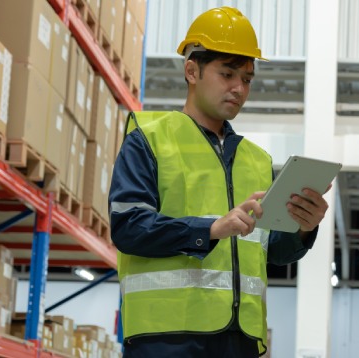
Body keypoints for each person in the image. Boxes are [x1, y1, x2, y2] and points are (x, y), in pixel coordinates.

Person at [108, 6, 329, 357]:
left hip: (240, 339)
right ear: (192, 70)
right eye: (227, 74)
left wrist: (304, 227)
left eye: (247, 79)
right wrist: (210, 228)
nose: (239, 88)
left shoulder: (256, 160)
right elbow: (128, 227)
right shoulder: (149, 140)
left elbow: (269, 252)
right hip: (166, 338)